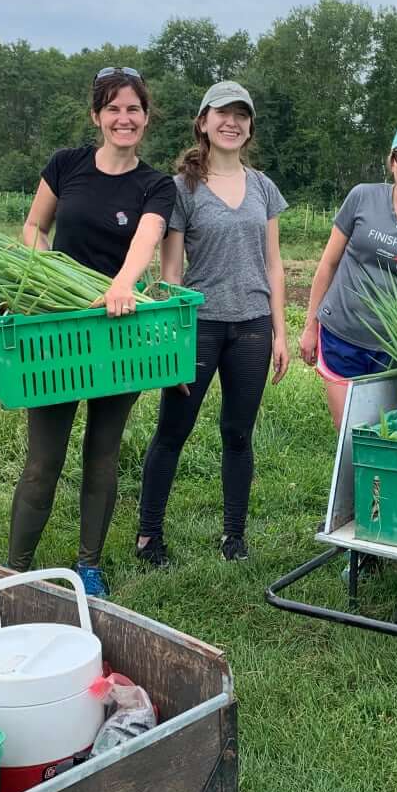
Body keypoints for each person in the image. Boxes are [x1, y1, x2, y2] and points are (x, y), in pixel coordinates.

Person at [9, 66, 176, 597]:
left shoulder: (156, 184)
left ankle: (89, 564)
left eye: (133, 109)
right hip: (57, 328)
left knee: (103, 452)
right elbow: (35, 228)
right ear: (96, 116)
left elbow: (146, 241)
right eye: (113, 108)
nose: (123, 118)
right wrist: (59, 277)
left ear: (146, 118)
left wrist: (121, 287)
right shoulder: (66, 166)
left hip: (118, 331)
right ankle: (15, 568)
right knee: (44, 456)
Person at [135, 81, 289, 567]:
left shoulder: (263, 187)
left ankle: (234, 535)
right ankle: (148, 535)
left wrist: (280, 332)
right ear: (202, 122)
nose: (232, 123)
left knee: (239, 433)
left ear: (249, 127)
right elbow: (171, 271)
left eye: (241, 115)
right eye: (222, 113)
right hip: (198, 326)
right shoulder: (182, 189)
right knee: (172, 431)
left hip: (252, 327)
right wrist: (171, 339)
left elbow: (274, 264)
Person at [299, 122, 397, 429]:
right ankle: (349, 478)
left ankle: (374, 479)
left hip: (393, 348)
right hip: (340, 335)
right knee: (347, 431)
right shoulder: (362, 197)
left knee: (383, 432)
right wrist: (310, 326)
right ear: (392, 161)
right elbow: (327, 264)